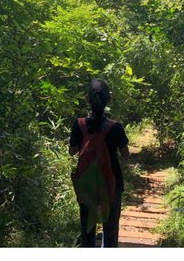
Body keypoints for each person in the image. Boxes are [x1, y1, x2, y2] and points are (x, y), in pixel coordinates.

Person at [70, 77, 128, 247]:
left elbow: (72, 151)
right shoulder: (116, 127)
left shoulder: (79, 124)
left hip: (86, 184)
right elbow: (126, 155)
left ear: (87, 99)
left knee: (87, 229)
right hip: (112, 183)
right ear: (109, 100)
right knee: (110, 230)